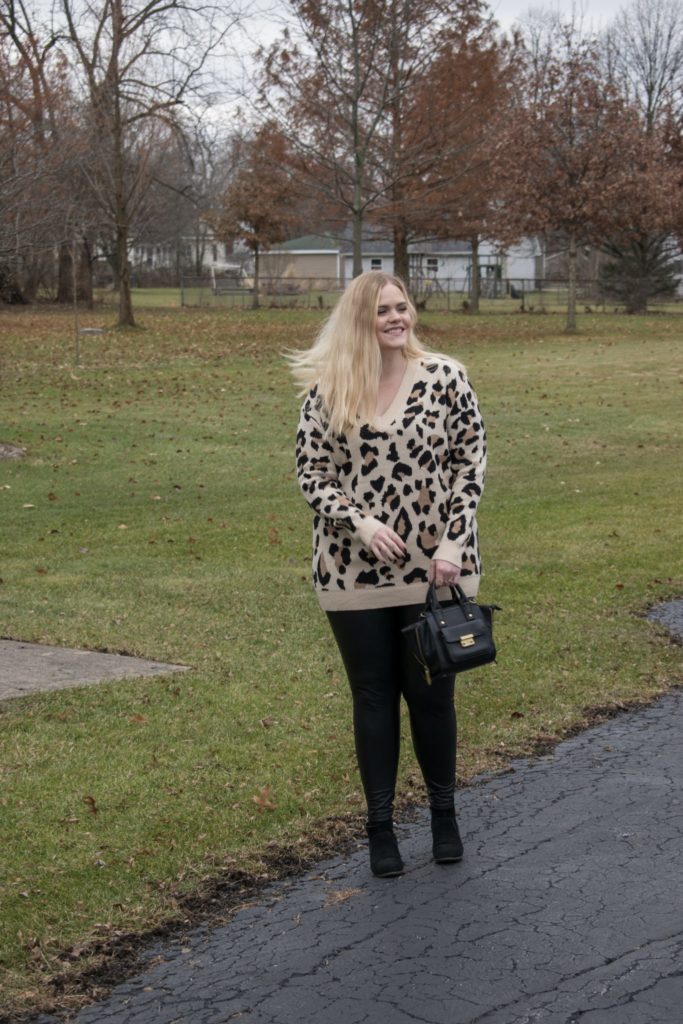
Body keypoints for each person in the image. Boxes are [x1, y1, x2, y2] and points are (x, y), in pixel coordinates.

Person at [291, 271, 487, 877]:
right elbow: (312, 476)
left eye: (403, 307)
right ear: (361, 321)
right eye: (384, 311)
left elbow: (469, 463)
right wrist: (363, 525)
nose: (398, 318)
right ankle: (380, 830)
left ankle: (444, 817)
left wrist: (453, 541)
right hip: (352, 570)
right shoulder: (330, 392)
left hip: (437, 569)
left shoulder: (446, 377)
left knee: (430, 696)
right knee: (373, 697)